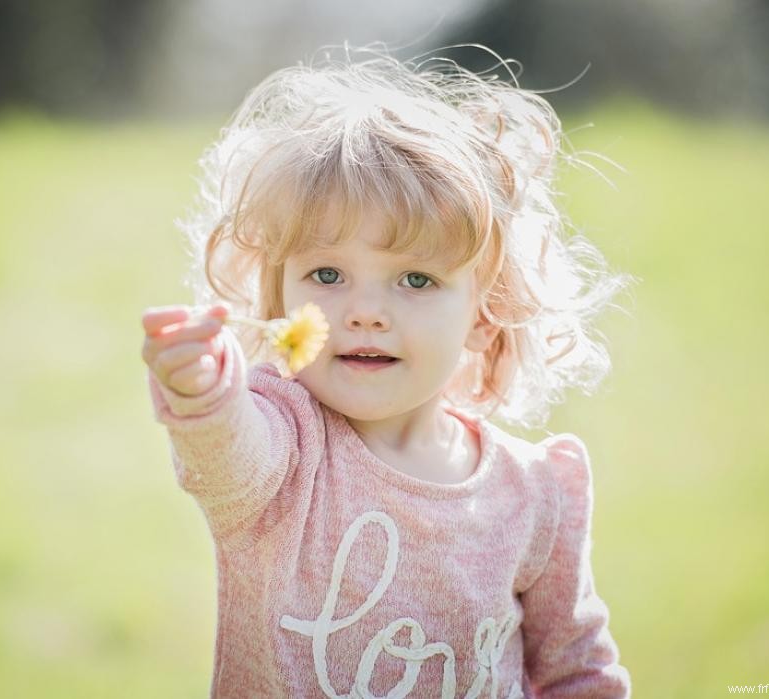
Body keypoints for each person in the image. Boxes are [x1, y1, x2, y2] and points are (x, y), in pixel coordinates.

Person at [141, 45, 632, 698]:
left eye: (416, 279)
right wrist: (204, 390)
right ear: (278, 297)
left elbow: (579, 671)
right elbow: (227, 450)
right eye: (326, 274)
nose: (366, 311)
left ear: (484, 312)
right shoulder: (283, 448)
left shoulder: (536, 493)